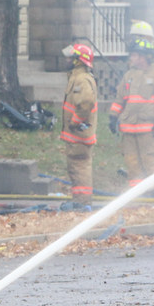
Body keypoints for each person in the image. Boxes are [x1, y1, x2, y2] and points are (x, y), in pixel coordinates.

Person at [109, 39, 154, 190]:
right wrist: (113, 116)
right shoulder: (129, 75)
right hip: (129, 128)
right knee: (131, 162)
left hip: (148, 129)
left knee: (150, 160)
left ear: (144, 57)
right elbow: (120, 98)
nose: (131, 58)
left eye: (134, 55)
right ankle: (137, 194)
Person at [60, 43, 98, 208]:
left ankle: (82, 203)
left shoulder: (81, 80)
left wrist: (75, 122)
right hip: (76, 134)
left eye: (70, 57)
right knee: (76, 167)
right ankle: (80, 201)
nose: (67, 59)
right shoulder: (77, 77)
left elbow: (85, 103)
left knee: (80, 166)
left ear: (78, 61)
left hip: (79, 134)